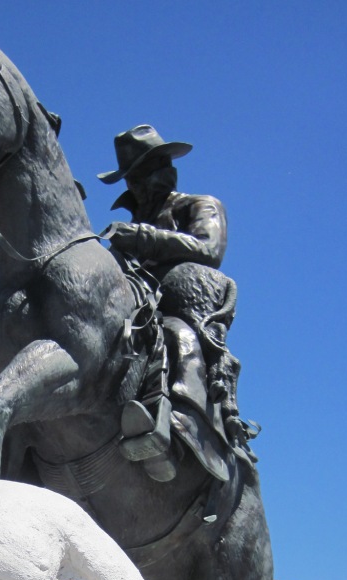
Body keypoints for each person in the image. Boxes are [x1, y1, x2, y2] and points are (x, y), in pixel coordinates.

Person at [98, 125, 255, 475]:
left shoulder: (200, 205)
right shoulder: (132, 223)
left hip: (179, 301)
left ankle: (172, 429)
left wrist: (143, 237)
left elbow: (210, 249)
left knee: (177, 337)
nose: (138, 183)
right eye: (133, 175)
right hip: (132, 299)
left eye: (147, 169)